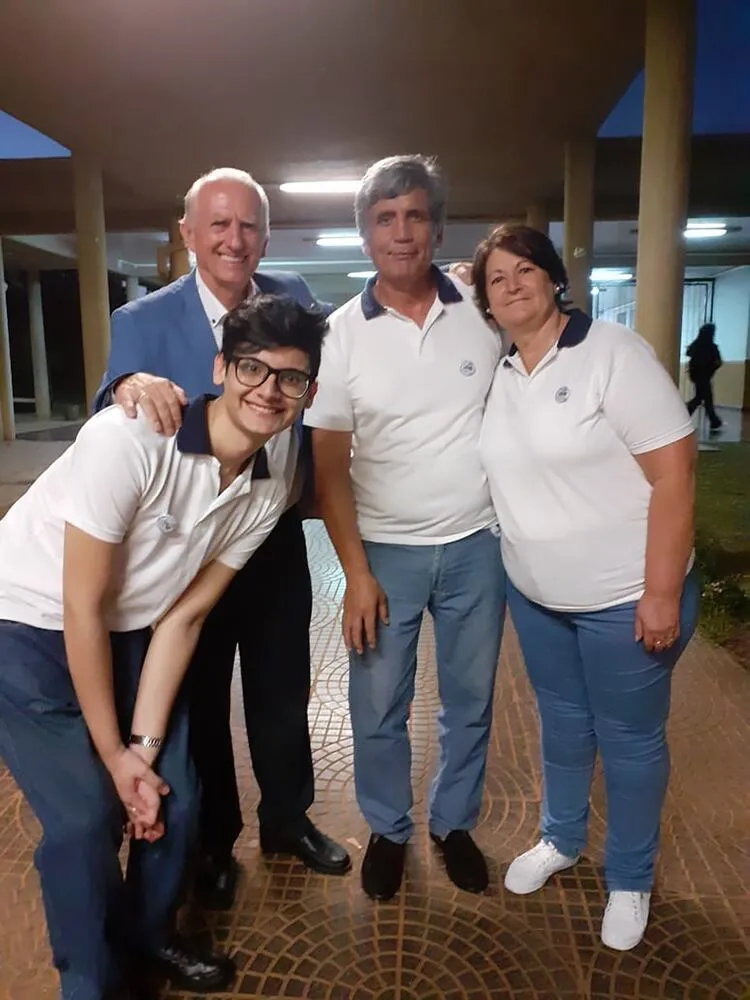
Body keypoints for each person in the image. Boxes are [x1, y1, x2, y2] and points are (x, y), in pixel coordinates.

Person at [0, 295, 327, 999]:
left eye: (290, 378)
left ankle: (149, 935)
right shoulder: (132, 439)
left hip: (130, 632)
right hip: (24, 627)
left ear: (309, 392)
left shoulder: (274, 477)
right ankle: (90, 979)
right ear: (220, 367)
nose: (268, 390)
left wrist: (141, 755)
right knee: (88, 816)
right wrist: (114, 759)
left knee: (174, 796)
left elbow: (184, 618)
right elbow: (80, 607)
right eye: (251, 368)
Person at [93, 168, 350, 910]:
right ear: (188, 235)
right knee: (201, 696)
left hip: (267, 529)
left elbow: (343, 342)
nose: (233, 240)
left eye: (247, 226)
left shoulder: (293, 294)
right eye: (218, 224)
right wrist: (125, 388)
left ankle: (286, 819)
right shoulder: (143, 319)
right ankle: (213, 837)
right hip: (186, 542)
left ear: (265, 237)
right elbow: (113, 399)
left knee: (280, 685)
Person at [472, 223, 699, 951]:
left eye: (524, 268)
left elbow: (675, 475)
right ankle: (561, 839)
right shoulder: (503, 372)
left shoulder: (612, 354)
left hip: (624, 598)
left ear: (552, 276)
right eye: (495, 278)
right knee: (564, 726)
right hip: (538, 598)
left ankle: (630, 877)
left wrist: (660, 590)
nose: (511, 284)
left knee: (629, 742)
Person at [306, 155, 506, 902]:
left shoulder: (481, 313)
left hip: (475, 547)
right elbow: (329, 467)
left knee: (470, 700)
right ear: (365, 236)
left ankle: (453, 824)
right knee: (379, 704)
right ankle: (389, 829)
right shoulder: (338, 336)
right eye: (385, 219)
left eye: (415, 215)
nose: (401, 232)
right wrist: (355, 572)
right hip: (384, 553)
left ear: (437, 226)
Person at [686, 321, 723, 431]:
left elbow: (689, 353)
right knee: (705, 398)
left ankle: (713, 421)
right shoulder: (711, 347)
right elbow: (718, 361)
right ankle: (713, 421)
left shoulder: (696, 344)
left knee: (702, 397)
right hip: (705, 376)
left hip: (696, 375)